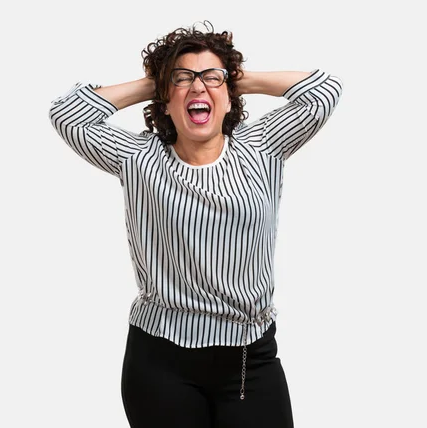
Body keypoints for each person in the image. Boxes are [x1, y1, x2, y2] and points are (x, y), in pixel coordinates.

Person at [48, 21, 343, 428]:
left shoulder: (261, 148)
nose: (197, 87)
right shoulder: (139, 158)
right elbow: (68, 115)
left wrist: (238, 77)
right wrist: (153, 81)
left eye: (210, 78)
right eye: (183, 79)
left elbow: (323, 90)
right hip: (161, 364)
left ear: (229, 97)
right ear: (165, 100)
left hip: (248, 360)